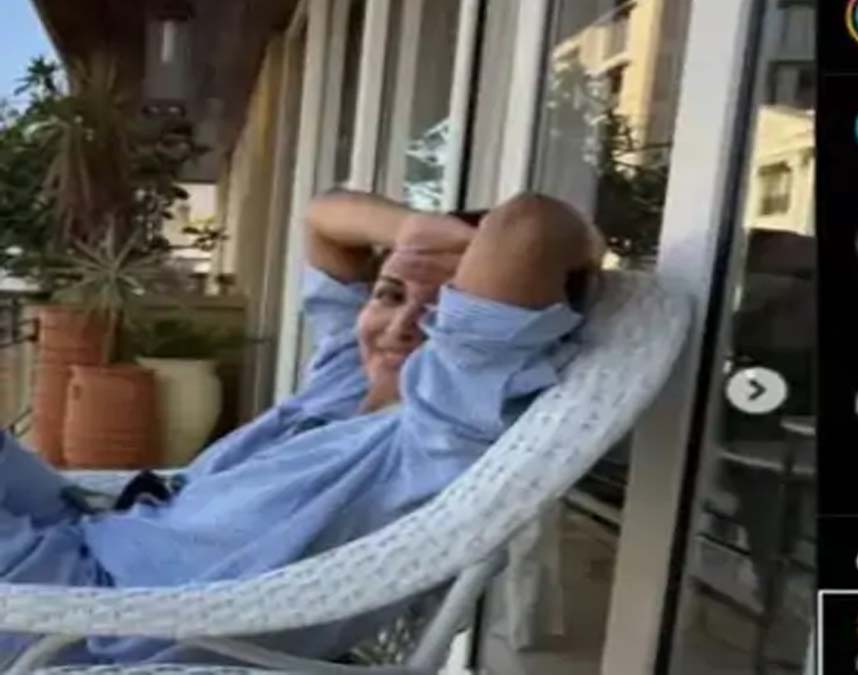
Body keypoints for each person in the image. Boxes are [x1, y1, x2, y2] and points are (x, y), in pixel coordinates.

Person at [0, 191, 605, 666]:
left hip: (96, 616)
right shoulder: (351, 379)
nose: (400, 327)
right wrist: (413, 232)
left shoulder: (442, 430)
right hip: (90, 533)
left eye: (443, 312)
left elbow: (531, 229)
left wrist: (581, 257)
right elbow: (323, 219)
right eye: (390, 295)